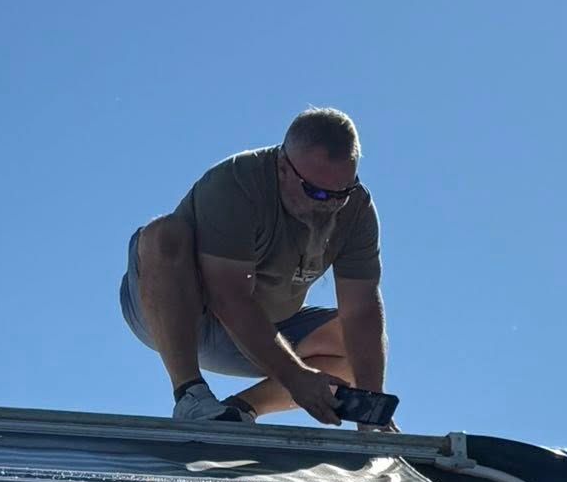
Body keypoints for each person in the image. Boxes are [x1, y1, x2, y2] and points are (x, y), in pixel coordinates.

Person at [120, 107, 388, 427]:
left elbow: (362, 311)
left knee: (352, 342)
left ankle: (239, 411)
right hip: (175, 314)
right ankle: (191, 395)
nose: (327, 204)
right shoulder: (237, 183)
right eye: (316, 192)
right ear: (283, 168)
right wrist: (294, 376)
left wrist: (372, 410)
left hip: (260, 331)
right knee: (164, 234)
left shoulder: (356, 209)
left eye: (340, 193)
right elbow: (228, 297)